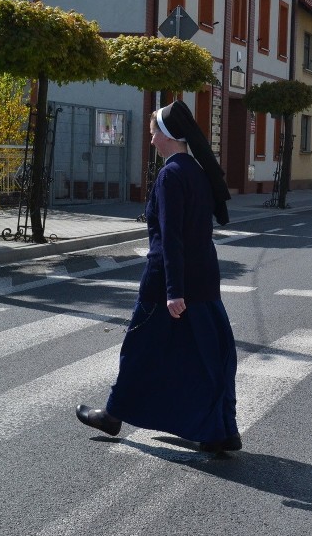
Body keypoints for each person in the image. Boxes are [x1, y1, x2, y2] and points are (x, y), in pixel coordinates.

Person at [76, 100, 239, 453]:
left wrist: (172, 291)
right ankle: (220, 429)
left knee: (138, 351)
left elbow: (170, 238)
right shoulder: (196, 171)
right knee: (209, 357)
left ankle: (113, 416)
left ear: (166, 135)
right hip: (205, 281)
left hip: (167, 283)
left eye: (153, 134)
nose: (150, 142)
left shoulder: (170, 175)